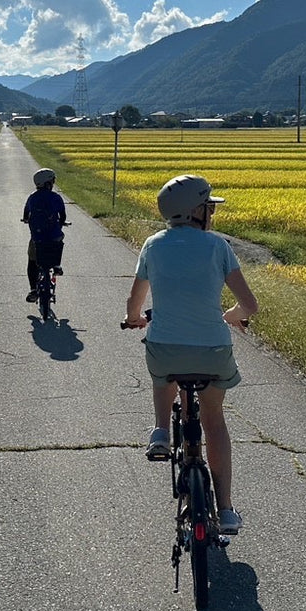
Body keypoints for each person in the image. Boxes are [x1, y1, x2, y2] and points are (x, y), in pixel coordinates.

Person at [122, 174, 257, 535]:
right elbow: (249, 306)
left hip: (166, 347)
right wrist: (229, 317)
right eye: (208, 205)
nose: (211, 211)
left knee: (163, 373)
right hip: (213, 350)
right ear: (197, 211)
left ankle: (161, 432)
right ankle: (226, 510)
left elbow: (134, 302)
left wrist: (133, 319)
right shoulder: (218, 247)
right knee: (213, 418)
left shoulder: (153, 245)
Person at [22, 167, 68, 303]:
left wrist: (26, 220)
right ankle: (56, 265)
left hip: (37, 237)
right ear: (48, 183)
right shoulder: (56, 197)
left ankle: (33, 289)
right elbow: (63, 216)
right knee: (58, 242)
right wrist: (62, 222)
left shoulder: (32, 198)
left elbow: (25, 215)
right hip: (54, 236)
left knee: (32, 261)